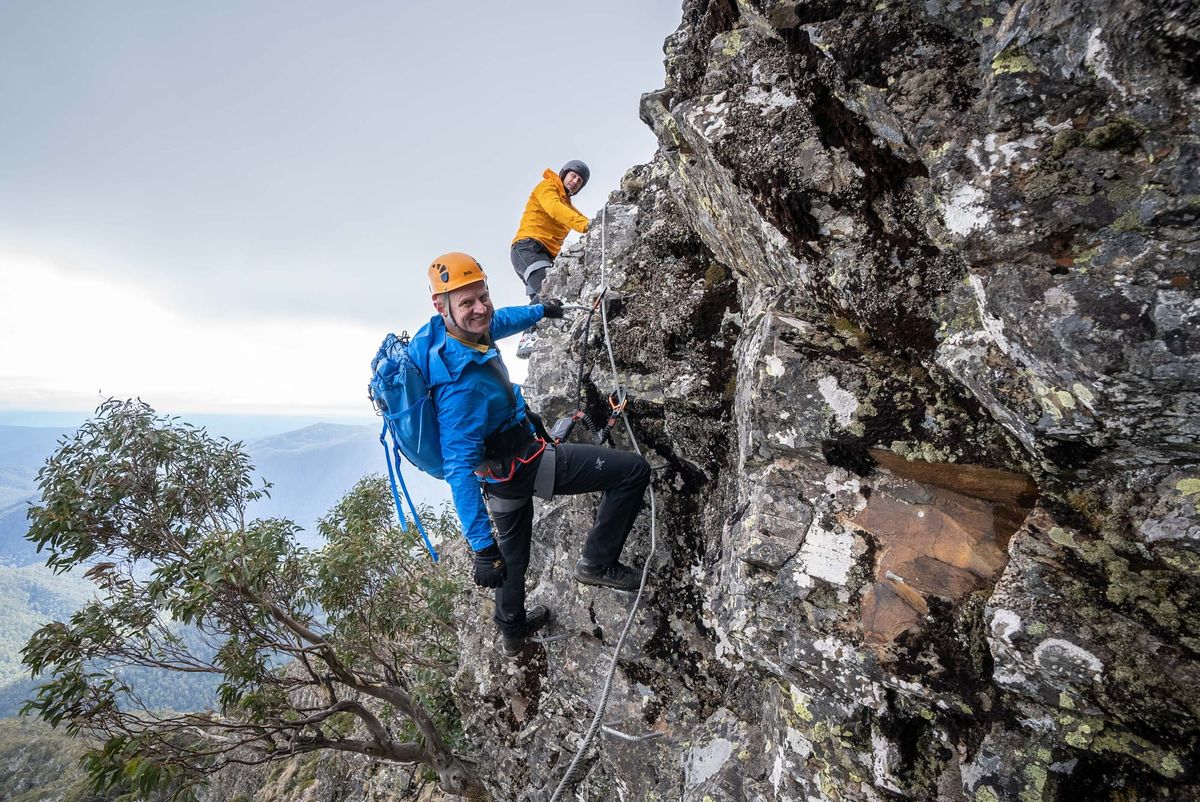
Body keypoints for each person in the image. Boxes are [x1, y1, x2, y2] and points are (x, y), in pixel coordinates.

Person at [410, 251, 651, 657]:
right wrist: (480, 547)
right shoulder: (459, 387)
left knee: (513, 558)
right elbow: (457, 468)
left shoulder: (449, 333)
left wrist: (540, 311)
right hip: (524, 463)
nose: (479, 308)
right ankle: (596, 561)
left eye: (481, 296)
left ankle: (512, 632)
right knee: (632, 471)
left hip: (500, 472)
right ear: (442, 305)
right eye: (466, 302)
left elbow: (497, 322)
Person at [510, 159, 591, 358]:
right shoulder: (547, 187)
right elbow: (555, 209)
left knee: (544, 302)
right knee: (548, 289)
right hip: (528, 247)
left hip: (544, 255)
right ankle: (526, 335)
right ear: (564, 174)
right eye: (573, 176)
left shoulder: (567, 203)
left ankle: (540, 342)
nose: (575, 181)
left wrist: (595, 223)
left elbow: (578, 216)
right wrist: (586, 226)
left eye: (579, 180)